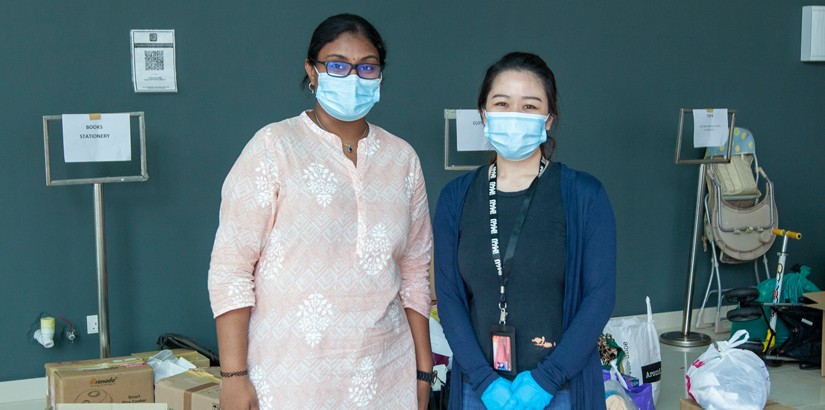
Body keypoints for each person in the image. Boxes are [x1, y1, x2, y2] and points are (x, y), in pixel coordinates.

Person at [208, 14, 434, 410]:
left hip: (384, 373)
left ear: (380, 75)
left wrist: (423, 369)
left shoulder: (402, 159)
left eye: (367, 66)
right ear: (311, 71)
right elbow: (231, 268)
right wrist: (233, 377)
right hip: (288, 378)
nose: (353, 76)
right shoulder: (274, 147)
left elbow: (416, 271)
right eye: (336, 65)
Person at [433, 52, 616, 410]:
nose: (514, 115)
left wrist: (548, 379)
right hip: (478, 390)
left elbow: (599, 298)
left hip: (562, 388)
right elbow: (450, 299)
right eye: (502, 103)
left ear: (549, 120)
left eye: (529, 106)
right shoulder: (455, 199)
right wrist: (485, 382)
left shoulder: (584, 195)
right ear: (483, 115)